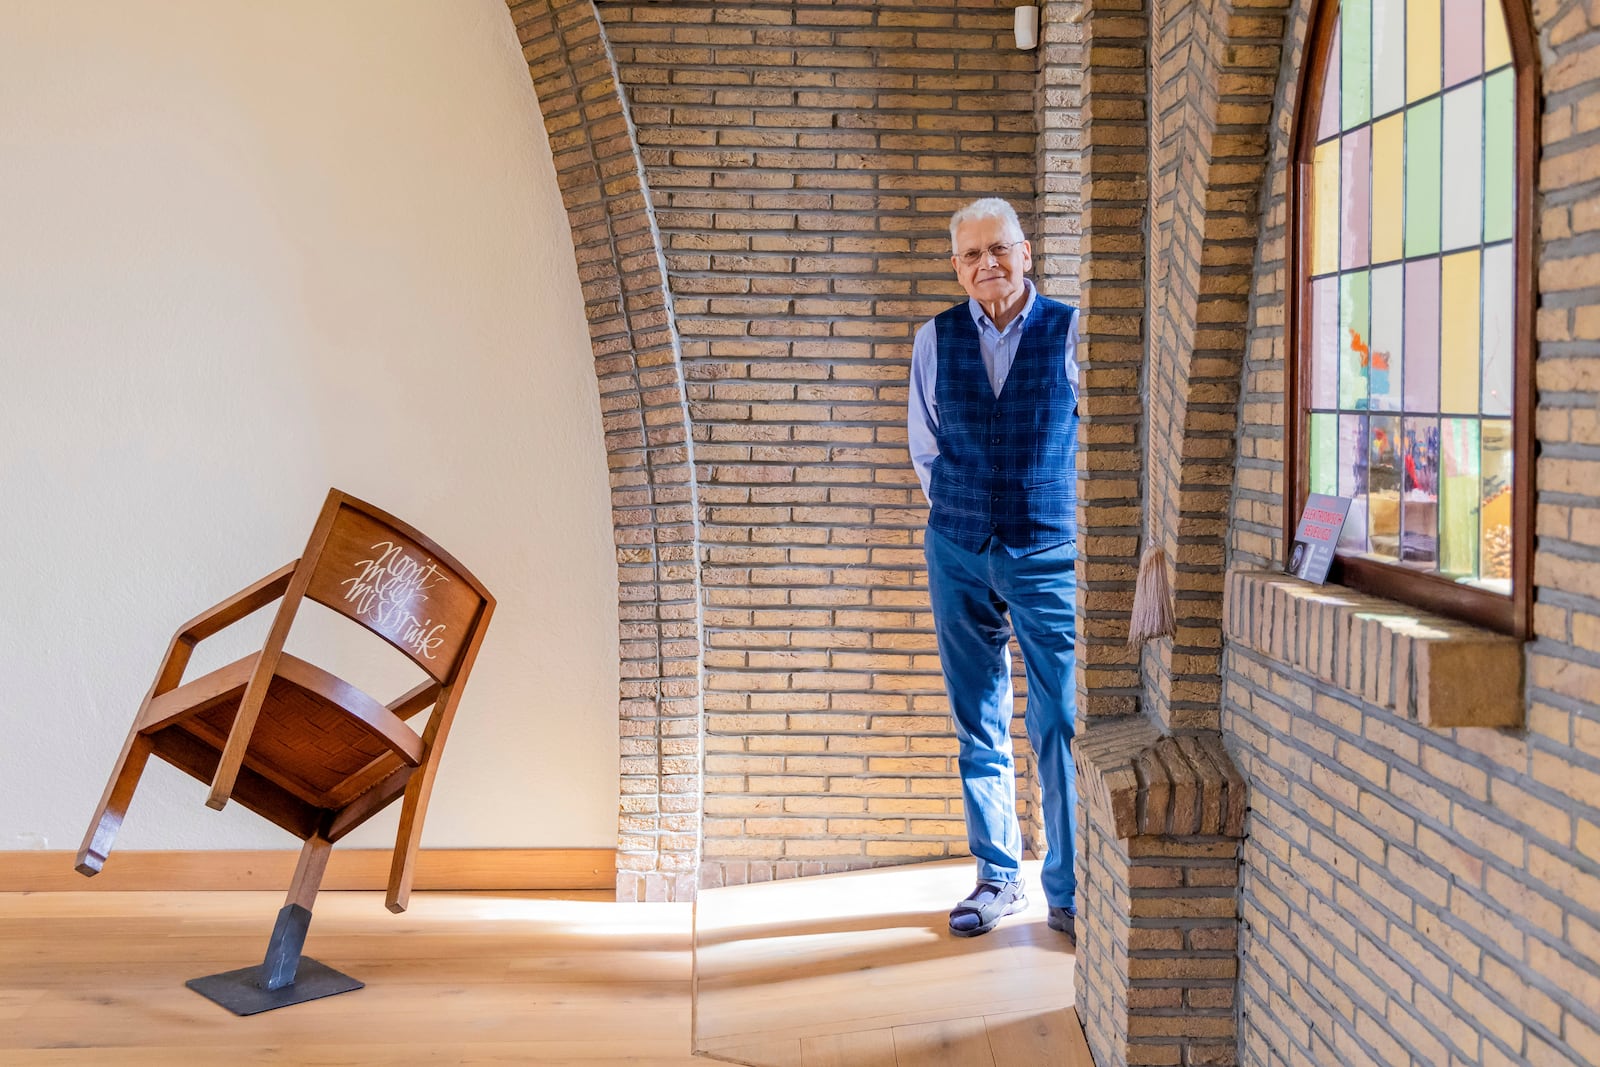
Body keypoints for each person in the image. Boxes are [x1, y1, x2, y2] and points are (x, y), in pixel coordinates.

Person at [908, 198, 1081, 941]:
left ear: (1026, 251)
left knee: (1062, 719)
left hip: (1048, 550)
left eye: (999, 249)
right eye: (972, 255)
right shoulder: (934, 339)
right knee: (976, 717)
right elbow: (926, 445)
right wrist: (966, 518)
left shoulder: (1072, 330)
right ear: (957, 266)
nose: (987, 264)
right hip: (958, 546)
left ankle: (1070, 888)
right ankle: (997, 876)